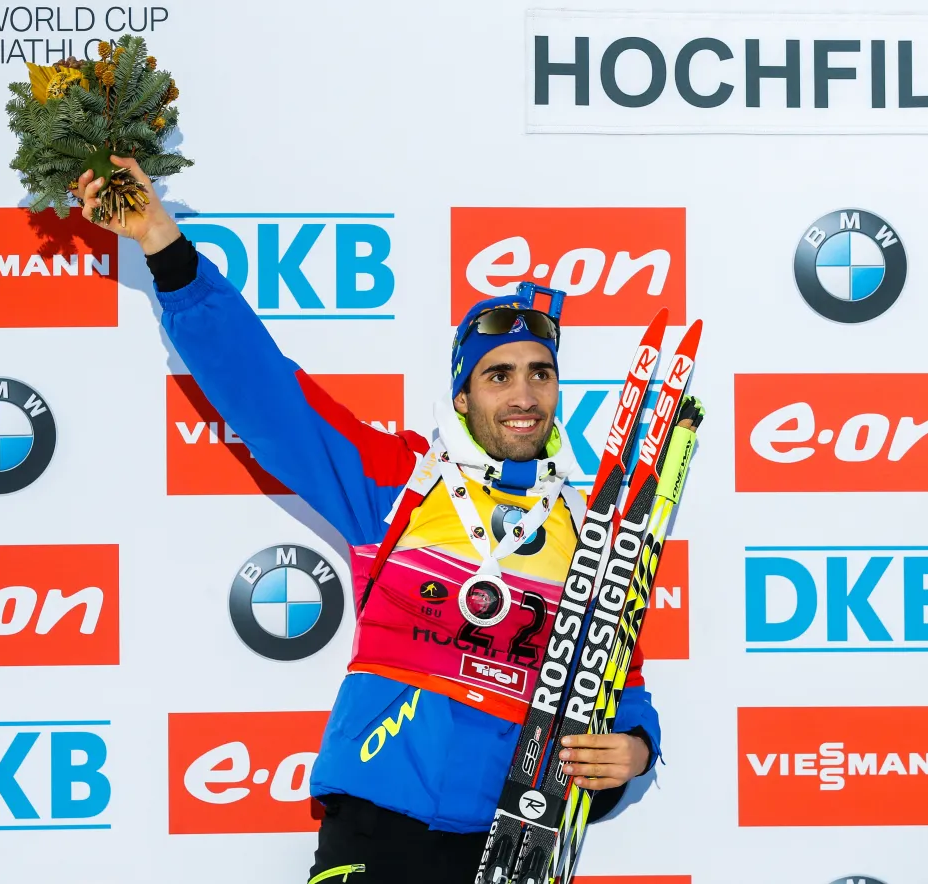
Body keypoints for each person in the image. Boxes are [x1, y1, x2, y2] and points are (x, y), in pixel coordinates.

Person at [71, 159, 660, 884]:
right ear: (463, 395)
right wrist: (165, 246)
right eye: (497, 374)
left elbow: (619, 676)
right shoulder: (399, 485)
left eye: (540, 372)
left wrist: (634, 746)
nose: (523, 394)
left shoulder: (589, 528)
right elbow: (265, 391)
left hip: (512, 840)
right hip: (377, 824)